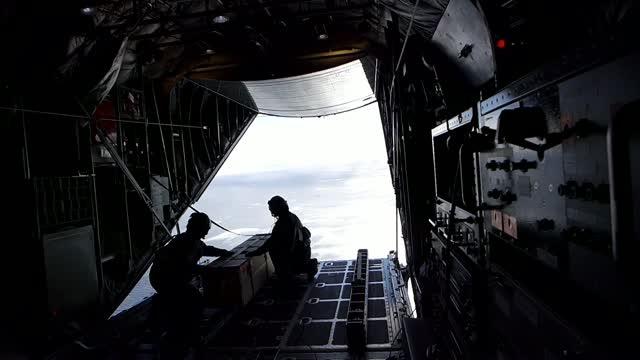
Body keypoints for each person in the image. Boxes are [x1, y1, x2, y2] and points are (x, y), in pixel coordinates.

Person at [148, 212, 232, 353]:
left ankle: (179, 328)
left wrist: (223, 252)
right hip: (166, 280)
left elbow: (205, 249)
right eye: (206, 228)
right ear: (200, 228)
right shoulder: (185, 243)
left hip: (163, 278)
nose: (207, 231)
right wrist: (207, 271)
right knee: (193, 301)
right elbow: (185, 266)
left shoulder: (190, 240)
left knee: (189, 299)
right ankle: (185, 336)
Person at [246, 196, 318, 282]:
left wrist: (253, 253)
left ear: (277, 208)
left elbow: (270, 243)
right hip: (304, 253)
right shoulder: (292, 216)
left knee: (273, 249)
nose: (271, 212)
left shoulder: (283, 223)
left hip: (296, 258)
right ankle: (305, 266)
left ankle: (287, 273)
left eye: (272, 209)